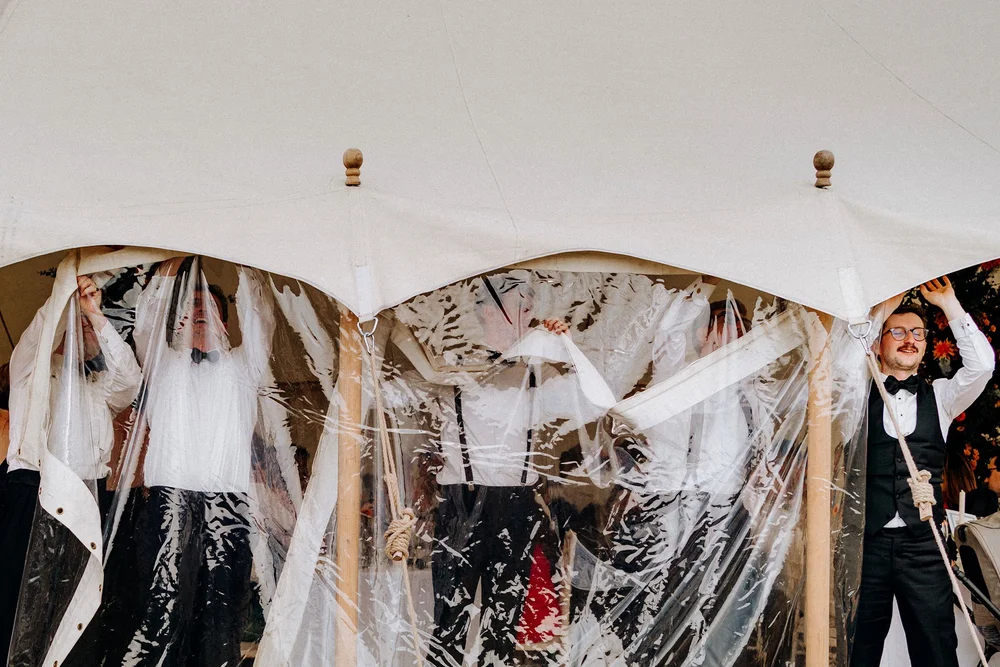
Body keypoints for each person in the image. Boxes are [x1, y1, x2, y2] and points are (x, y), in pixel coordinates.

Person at [388, 274, 608, 667]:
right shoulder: (449, 368)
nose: (529, 310)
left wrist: (568, 347)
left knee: (504, 622)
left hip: (515, 505)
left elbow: (593, 404)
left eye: (530, 303)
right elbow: (394, 395)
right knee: (448, 622)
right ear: (490, 311)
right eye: (519, 302)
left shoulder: (537, 373)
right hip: (459, 503)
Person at [122, 257, 274, 667]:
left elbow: (261, 321)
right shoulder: (162, 363)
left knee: (221, 613)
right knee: (163, 607)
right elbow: (147, 322)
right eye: (192, 307)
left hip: (229, 504)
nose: (202, 312)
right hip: (170, 501)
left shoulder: (245, 367)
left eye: (211, 307)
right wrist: (169, 271)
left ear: (227, 322)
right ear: (179, 322)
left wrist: (247, 269)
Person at [850, 277, 995, 667]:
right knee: (857, 651)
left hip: (925, 547)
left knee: (936, 653)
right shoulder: (852, 393)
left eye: (917, 333)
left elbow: (982, 365)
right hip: (867, 548)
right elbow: (836, 358)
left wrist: (949, 303)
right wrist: (881, 309)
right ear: (879, 343)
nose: (909, 339)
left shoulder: (942, 396)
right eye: (897, 332)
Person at [0, 276, 142, 663]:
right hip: (34, 495)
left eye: (87, 329)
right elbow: (42, 329)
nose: (82, 332)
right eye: (74, 325)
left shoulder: (103, 385)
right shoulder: (30, 369)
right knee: (19, 612)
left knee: (77, 612)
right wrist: (68, 293)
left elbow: (131, 380)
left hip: (88, 498)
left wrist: (96, 315)